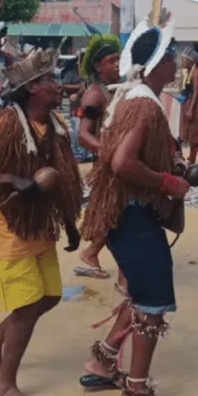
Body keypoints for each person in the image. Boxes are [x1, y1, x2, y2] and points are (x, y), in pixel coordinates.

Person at [0, 47, 83, 396]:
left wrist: (70, 224)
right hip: (6, 225)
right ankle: (4, 389)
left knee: (50, 296)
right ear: (31, 88)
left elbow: (62, 181)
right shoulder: (3, 125)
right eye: (49, 80)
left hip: (38, 224)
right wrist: (11, 178)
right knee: (27, 306)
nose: (57, 85)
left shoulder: (55, 127)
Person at [80, 8, 189, 396]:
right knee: (152, 304)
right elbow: (122, 162)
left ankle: (103, 361)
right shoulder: (142, 104)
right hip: (134, 215)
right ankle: (137, 393)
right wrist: (167, 182)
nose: (177, 62)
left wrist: (168, 164)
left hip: (125, 214)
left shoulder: (129, 96)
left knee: (141, 295)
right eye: (173, 56)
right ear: (159, 63)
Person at [74, 34, 122, 282]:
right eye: (111, 60)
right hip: (108, 164)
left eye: (118, 59)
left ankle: (93, 254)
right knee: (113, 213)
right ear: (97, 66)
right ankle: (92, 253)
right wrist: (110, 152)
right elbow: (83, 136)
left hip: (121, 163)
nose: (117, 64)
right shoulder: (94, 94)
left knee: (117, 213)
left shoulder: (120, 89)